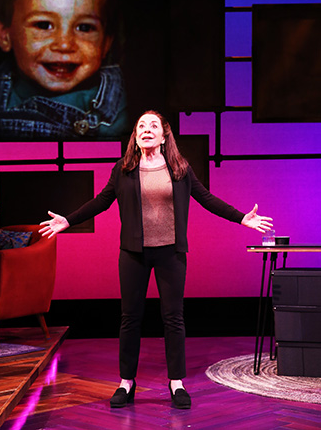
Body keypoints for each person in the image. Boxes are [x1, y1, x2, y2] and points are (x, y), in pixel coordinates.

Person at [39, 110, 273, 409]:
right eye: (141, 126)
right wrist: (68, 221)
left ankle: (176, 383)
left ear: (164, 136)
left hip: (171, 253)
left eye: (153, 126)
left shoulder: (179, 168)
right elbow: (101, 201)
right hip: (133, 254)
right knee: (130, 319)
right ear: (135, 136)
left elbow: (207, 199)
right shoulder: (123, 169)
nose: (146, 129)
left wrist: (242, 218)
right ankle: (126, 382)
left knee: (173, 318)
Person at [0, 0, 127, 139]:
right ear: (4, 34)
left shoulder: (121, 106)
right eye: (43, 25)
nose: (64, 44)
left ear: (106, 42)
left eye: (84, 27)